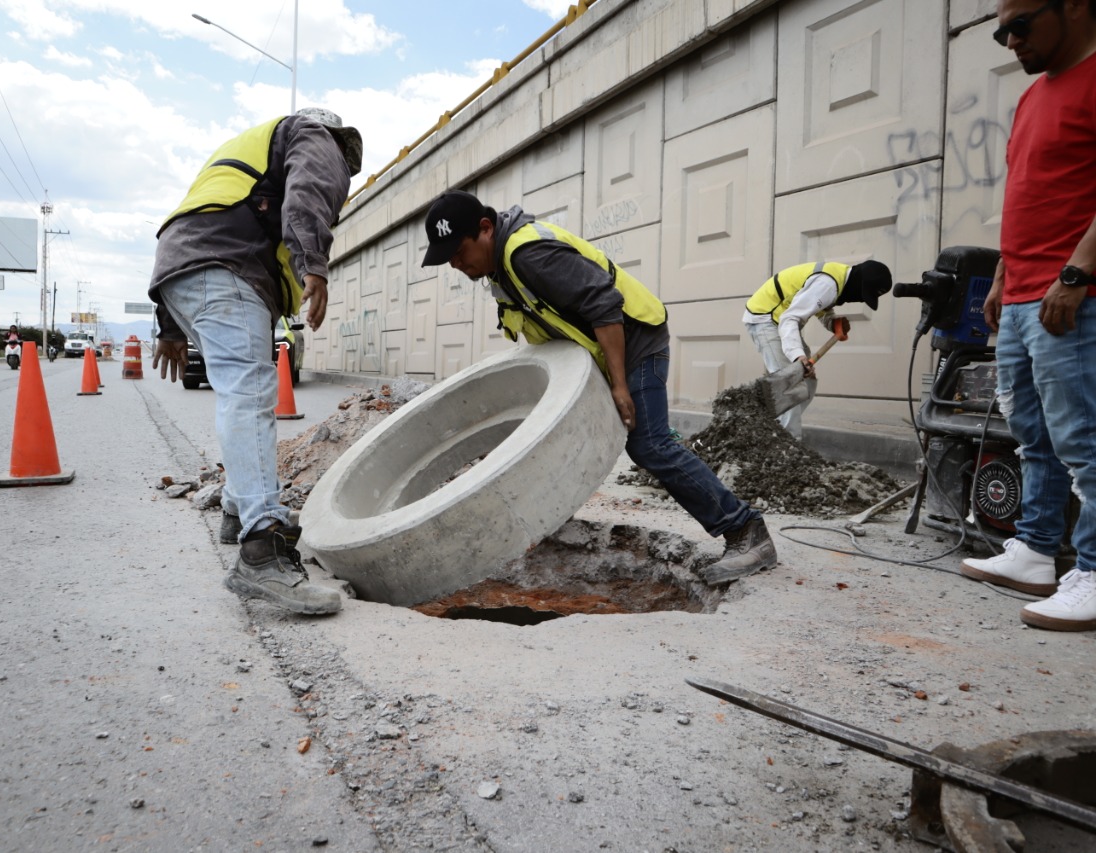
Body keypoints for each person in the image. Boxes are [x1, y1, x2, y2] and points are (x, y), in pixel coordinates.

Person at [421, 190, 777, 586]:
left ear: (485, 229)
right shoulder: (500, 268)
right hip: (606, 351)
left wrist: (620, 385)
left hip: (636, 341)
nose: (454, 262)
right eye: (447, 256)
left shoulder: (527, 254)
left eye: (458, 250)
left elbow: (604, 304)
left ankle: (747, 531)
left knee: (649, 444)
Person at [148, 107, 363, 616]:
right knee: (250, 391)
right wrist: (315, 263)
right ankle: (261, 547)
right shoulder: (316, 137)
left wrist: (171, 324)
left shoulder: (247, 149)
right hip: (226, 267)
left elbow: (198, 218)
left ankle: (233, 509)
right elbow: (309, 192)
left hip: (182, 268)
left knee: (237, 387)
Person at [959, 0, 1096, 631]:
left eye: (1020, 24)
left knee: (1083, 441)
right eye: (1000, 31)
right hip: (1021, 296)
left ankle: (1093, 573)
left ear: (1074, 6)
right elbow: (1027, 193)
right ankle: (1039, 551)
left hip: (1072, 296)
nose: (1009, 40)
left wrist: (1076, 274)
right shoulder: (1033, 97)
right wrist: (1003, 277)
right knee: (1033, 435)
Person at [742, 260, 893, 438]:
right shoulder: (827, 284)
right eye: (862, 294)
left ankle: (771, 429)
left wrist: (833, 322)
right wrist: (798, 356)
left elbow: (819, 307)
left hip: (778, 321)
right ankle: (788, 447)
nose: (859, 298)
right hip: (766, 319)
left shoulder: (838, 279)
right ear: (859, 283)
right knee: (789, 386)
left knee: (808, 383)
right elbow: (789, 318)